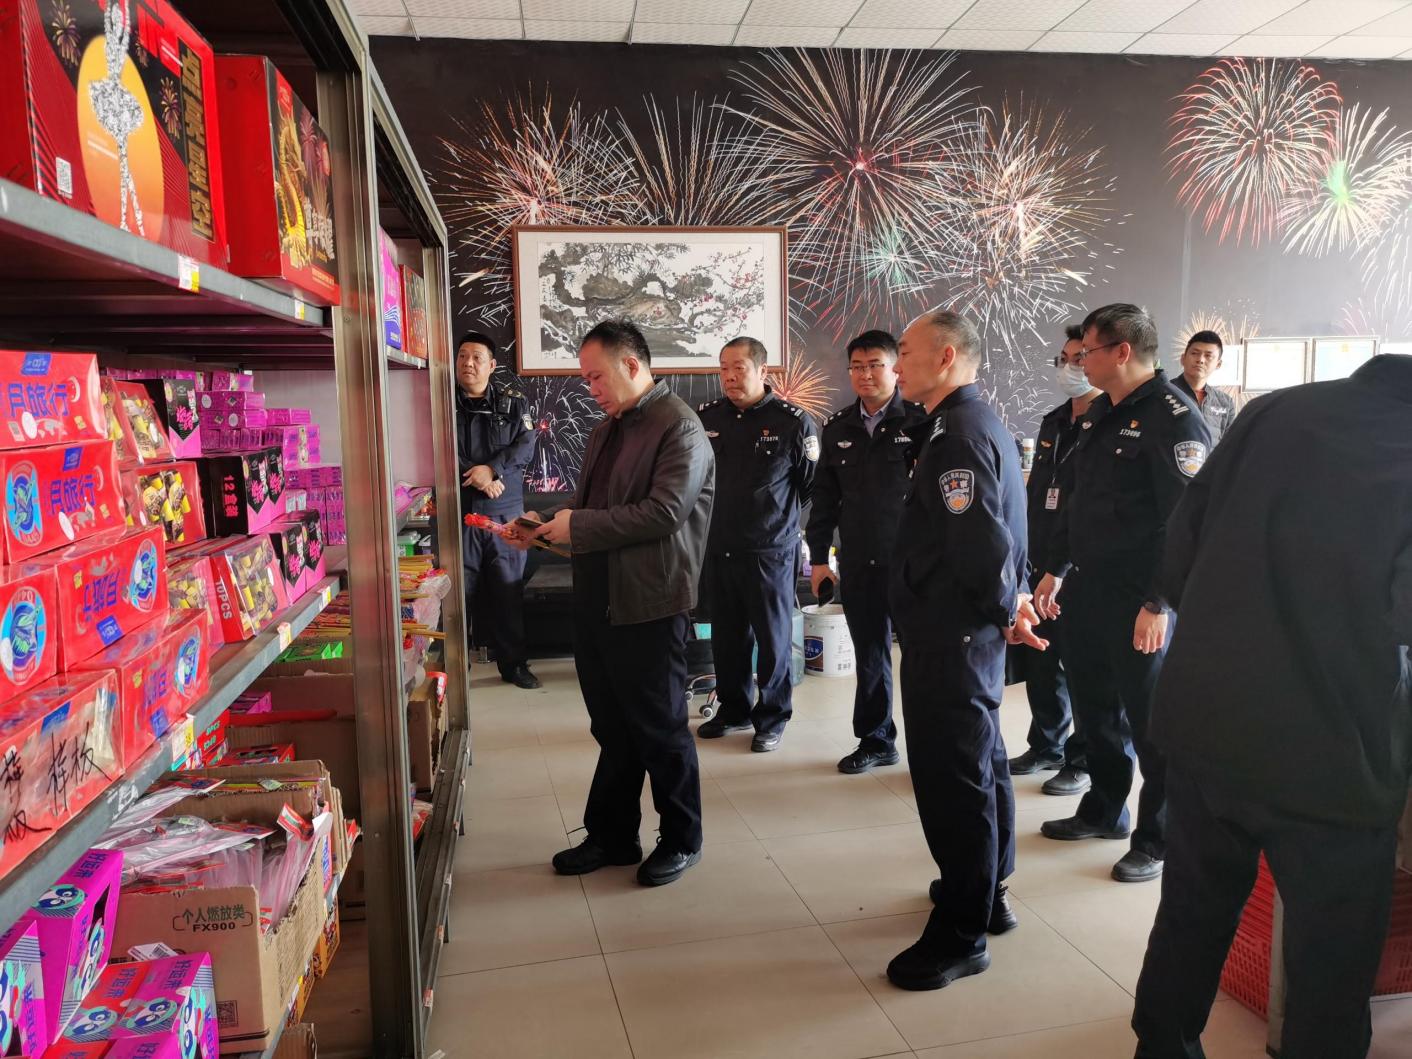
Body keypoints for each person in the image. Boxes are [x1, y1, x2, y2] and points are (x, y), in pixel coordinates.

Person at [1131, 353, 1412, 1059]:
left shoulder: (1273, 410)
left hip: (1207, 719)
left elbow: (1181, 546)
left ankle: (1161, 1046)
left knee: (1191, 911)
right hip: (1332, 752)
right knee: (1330, 958)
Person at [512, 319, 715, 887]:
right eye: (585, 378)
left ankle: (683, 838)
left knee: (660, 728)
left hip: (650, 601)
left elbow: (663, 512)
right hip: (598, 598)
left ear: (631, 364)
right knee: (613, 727)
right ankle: (613, 835)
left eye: (596, 376)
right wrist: (541, 525)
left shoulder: (680, 427)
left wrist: (575, 526)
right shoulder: (607, 429)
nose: (590, 388)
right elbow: (590, 505)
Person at [884, 309, 1046, 991]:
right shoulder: (971, 423)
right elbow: (1003, 529)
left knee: (955, 780)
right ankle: (988, 889)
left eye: (906, 351)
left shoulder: (956, 434)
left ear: (946, 356)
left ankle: (961, 931)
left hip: (950, 635)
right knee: (982, 764)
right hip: (961, 630)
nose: (897, 363)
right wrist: (1008, 603)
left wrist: (1007, 605)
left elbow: (980, 541)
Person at [1032, 304, 1212, 885]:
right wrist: (1056, 568)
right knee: (1095, 711)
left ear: (1122, 352)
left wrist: (1160, 603)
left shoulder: (1174, 418)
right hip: (1087, 591)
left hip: (1141, 600)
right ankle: (1105, 809)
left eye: (1088, 351)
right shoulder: (1100, 413)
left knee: (1152, 725)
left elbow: (1187, 523)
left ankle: (1158, 839)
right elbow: (1077, 500)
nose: (1079, 361)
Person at [805, 330, 925, 775]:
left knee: (921, 660)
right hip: (859, 563)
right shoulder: (838, 427)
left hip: (912, 565)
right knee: (870, 656)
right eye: (857, 366)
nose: (865, 374)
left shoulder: (921, 422)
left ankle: (929, 748)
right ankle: (875, 740)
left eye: (875, 365)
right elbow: (824, 500)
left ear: (896, 368)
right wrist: (820, 559)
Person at [696, 337, 819, 753]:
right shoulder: (707, 417)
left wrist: (774, 520)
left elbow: (808, 486)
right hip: (720, 546)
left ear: (763, 371)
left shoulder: (792, 422)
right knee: (727, 638)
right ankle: (733, 710)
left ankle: (772, 717)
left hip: (770, 551)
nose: (730, 376)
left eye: (740, 368)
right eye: (724, 368)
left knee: (773, 639)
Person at [1007, 325, 1093, 797]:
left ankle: (1082, 760)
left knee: (1081, 669)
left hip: (1079, 565)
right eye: (1063, 358)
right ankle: (1046, 745)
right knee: (1042, 658)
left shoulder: (1108, 423)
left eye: (1078, 358)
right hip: (1041, 558)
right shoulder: (1054, 421)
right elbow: (1037, 491)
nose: (1069, 368)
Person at [454, 331, 540, 689]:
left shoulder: (513, 403)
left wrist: (492, 470)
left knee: (508, 591)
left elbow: (526, 446)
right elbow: (434, 445)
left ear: (491, 365)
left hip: (504, 511)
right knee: (457, 595)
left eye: (476, 357)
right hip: (458, 510)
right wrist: (476, 476)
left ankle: (514, 665)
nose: (468, 363)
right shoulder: (441, 402)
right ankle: (455, 669)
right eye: (462, 356)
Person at [1171, 330, 1237, 445]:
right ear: (1183, 358)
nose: (1200, 360)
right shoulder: (1163, 393)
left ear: (1218, 364)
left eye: (1208, 356)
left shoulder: (1225, 402)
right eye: (1194, 353)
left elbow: (1230, 446)